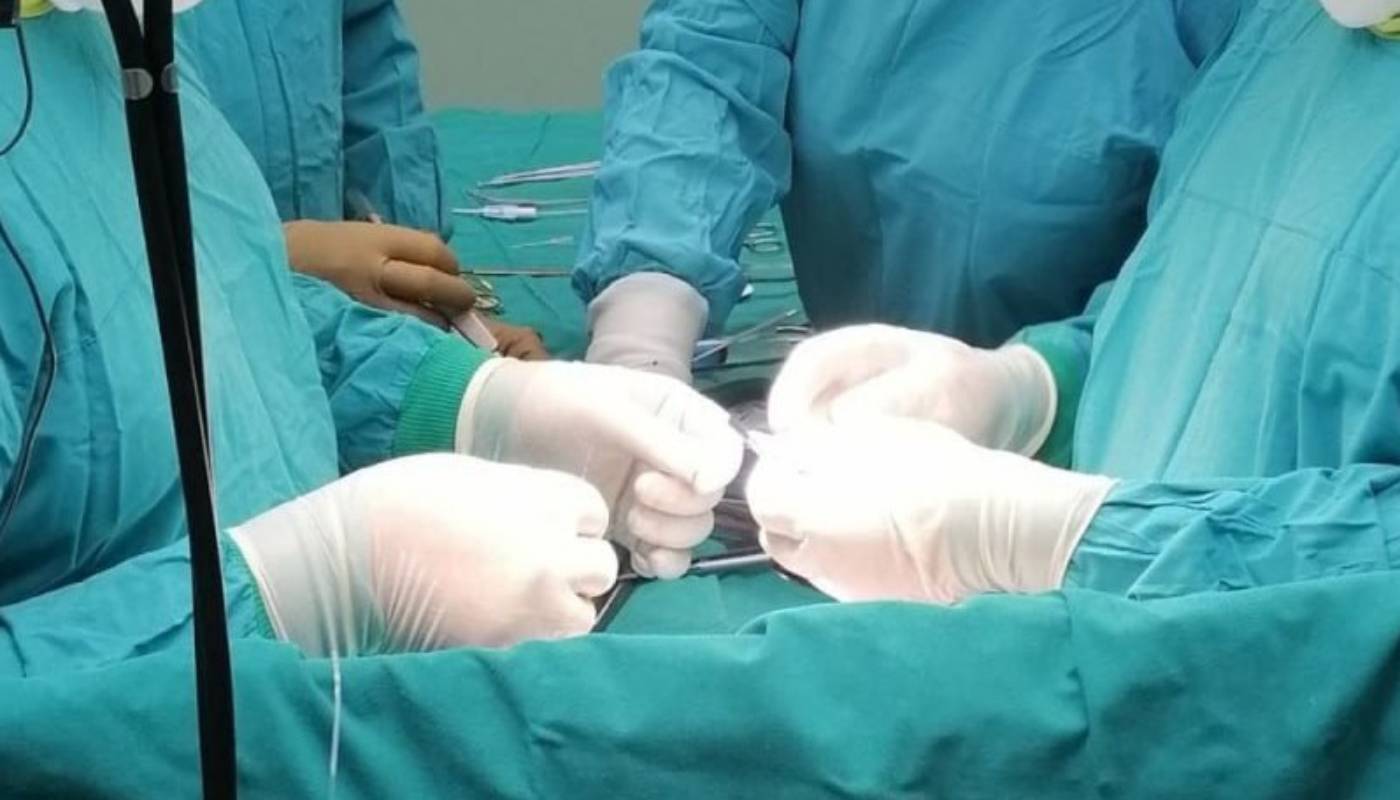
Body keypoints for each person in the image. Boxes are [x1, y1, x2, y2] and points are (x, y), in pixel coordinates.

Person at [0, 1, 740, 671]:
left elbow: (209, 321)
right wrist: (307, 588)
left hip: (296, 731)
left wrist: (468, 403)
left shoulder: (102, 38)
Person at [746, 0, 1400, 605]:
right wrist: (1033, 391)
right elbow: (1186, 312)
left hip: (1234, 685)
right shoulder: (1291, 30)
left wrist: (1073, 540)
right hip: (1115, 656)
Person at [572, 0, 1243, 383]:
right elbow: (711, 53)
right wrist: (646, 319)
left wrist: (1041, 392)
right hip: (850, 400)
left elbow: (1242, 246)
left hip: (1117, 428)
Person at [177, 0, 548, 359]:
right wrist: (268, 260)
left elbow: (368, 54)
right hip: (188, 335)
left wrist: (419, 300)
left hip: (335, 323)